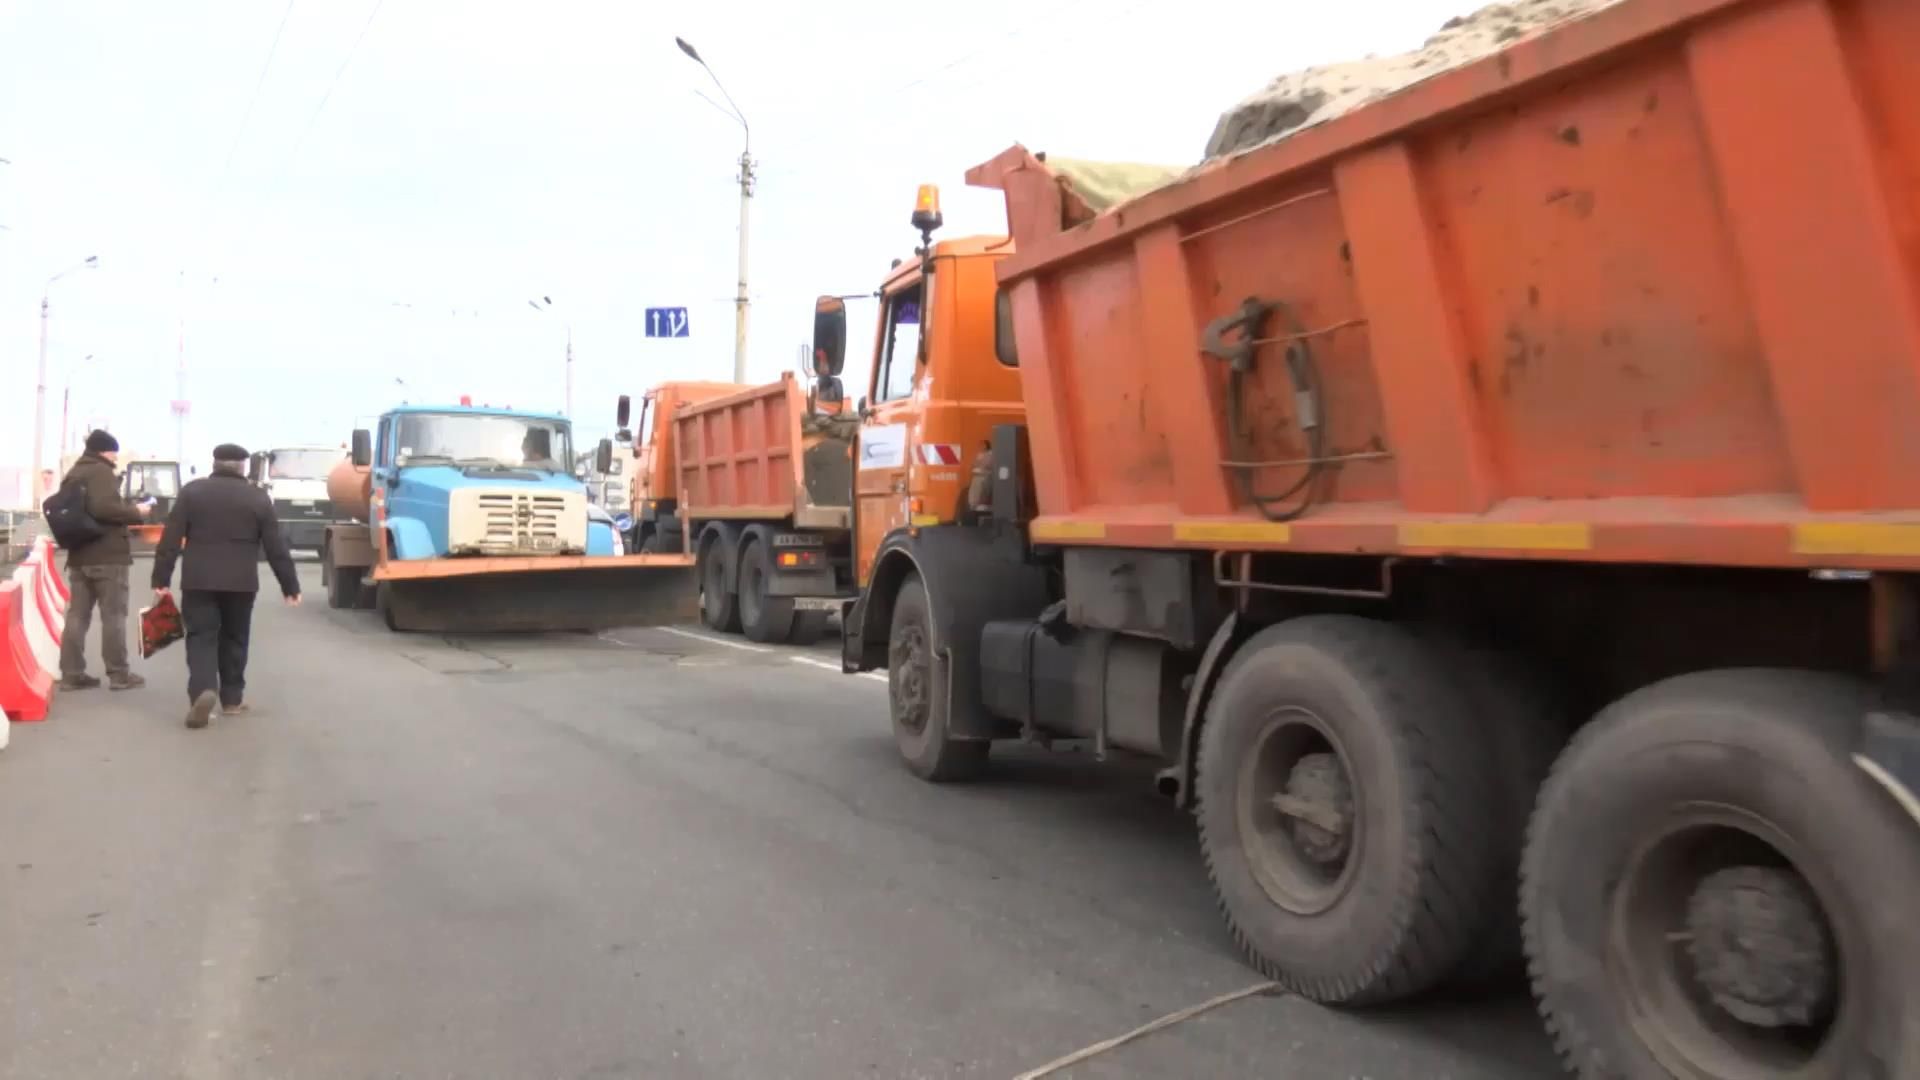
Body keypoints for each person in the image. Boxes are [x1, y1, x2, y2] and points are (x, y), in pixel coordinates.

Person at [152, 443, 302, 729]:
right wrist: (289, 586)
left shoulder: (192, 492)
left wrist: (161, 578)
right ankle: (232, 699)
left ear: (215, 463)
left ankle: (203, 691)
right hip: (241, 583)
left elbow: (170, 539)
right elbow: (275, 546)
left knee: (200, 636)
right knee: (235, 636)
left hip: (198, 580)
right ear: (243, 466)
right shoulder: (257, 498)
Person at [56, 429, 153, 691]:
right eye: (113, 452)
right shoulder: (100, 471)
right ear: (104, 451)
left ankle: (71, 673)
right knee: (114, 616)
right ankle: (119, 674)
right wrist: (137, 511)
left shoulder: (74, 473)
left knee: (77, 616)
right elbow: (104, 509)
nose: (115, 457)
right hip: (107, 556)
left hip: (79, 556)